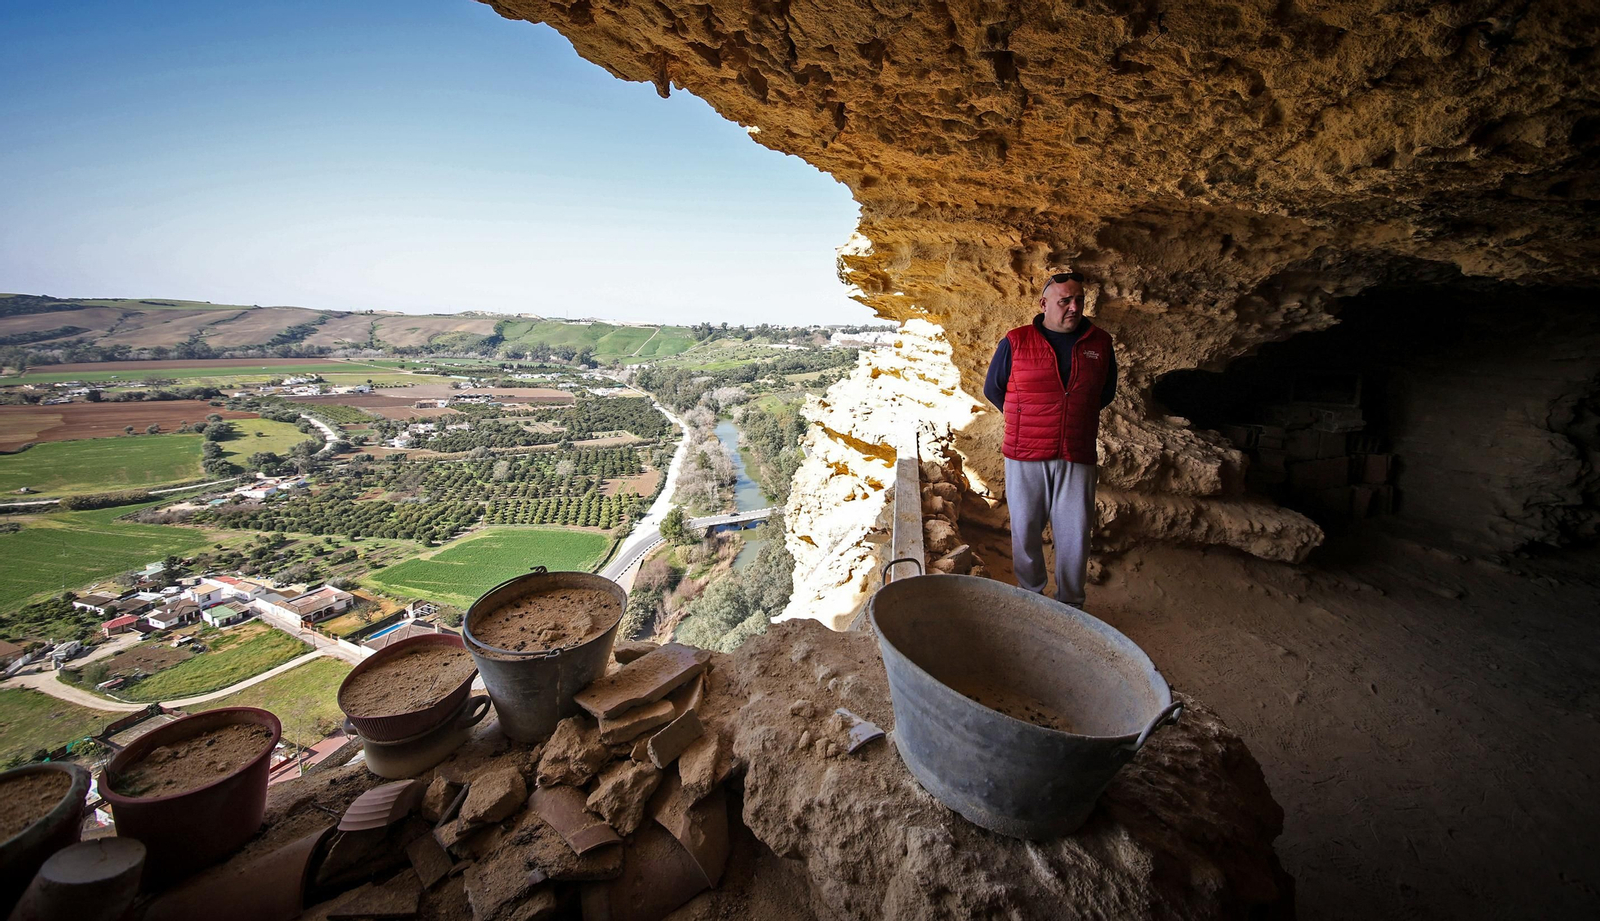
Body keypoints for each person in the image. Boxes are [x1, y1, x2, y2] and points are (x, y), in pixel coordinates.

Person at [982, 271, 1117, 608]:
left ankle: (1071, 604)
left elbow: (1105, 392)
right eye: (1065, 301)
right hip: (1025, 453)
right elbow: (993, 388)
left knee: (1075, 535)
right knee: (1026, 530)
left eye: (1079, 300)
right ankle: (1031, 597)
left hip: (1077, 452)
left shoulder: (1100, 343)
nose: (1074, 307)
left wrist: (1072, 417)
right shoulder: (1015, 341)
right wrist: (1027, 418)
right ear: (1044, 304)